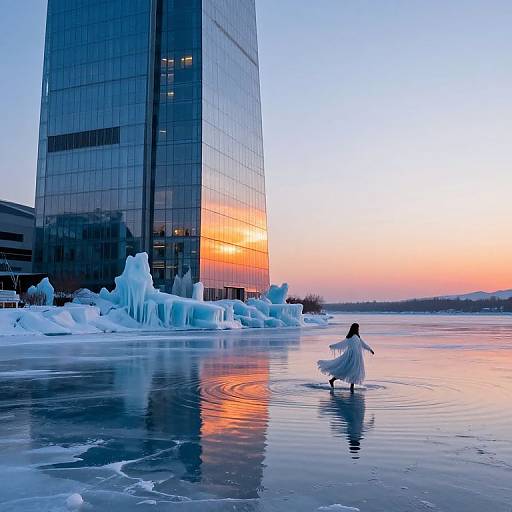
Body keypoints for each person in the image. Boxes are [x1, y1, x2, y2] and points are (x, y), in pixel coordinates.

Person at [317, 323, 375, 392]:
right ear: (355, 328)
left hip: (357, 357)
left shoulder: (357, 337)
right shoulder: (350, 337)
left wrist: (370, 349)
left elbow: (363, 344)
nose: (358, 329)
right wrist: (333, 346)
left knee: (353, 371)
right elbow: (341, 344)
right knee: (347, 370)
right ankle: (342, 384)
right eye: (357, 328)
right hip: (351, 357)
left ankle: (345, 385)